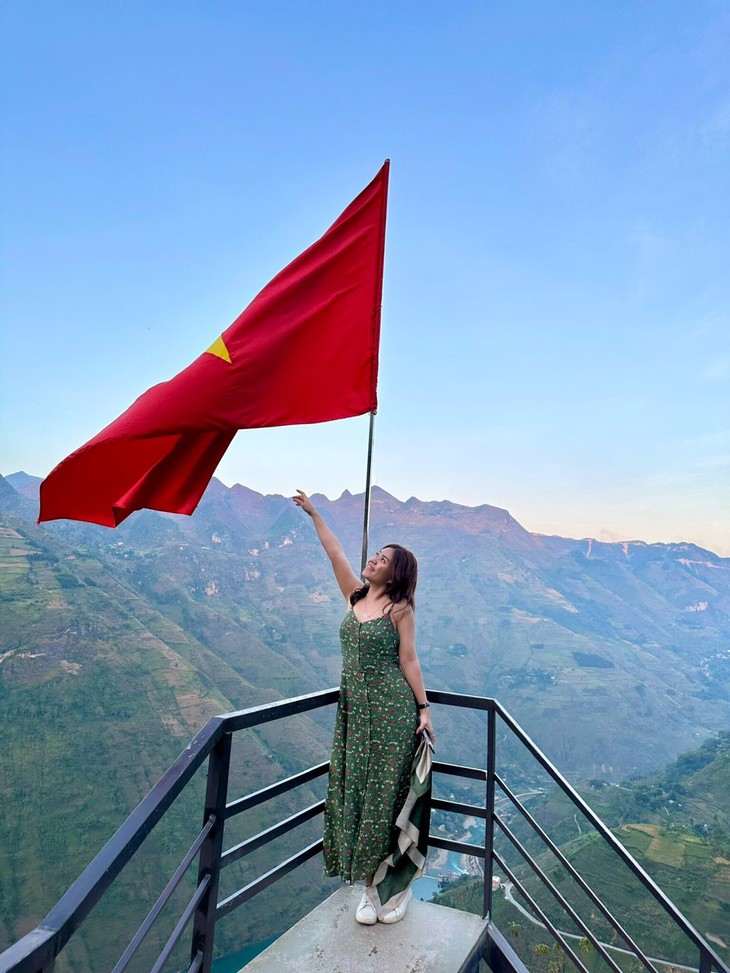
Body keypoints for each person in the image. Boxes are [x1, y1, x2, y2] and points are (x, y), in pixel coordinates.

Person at [292, 489, 434, 925]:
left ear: (396, 574)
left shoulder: (399, 609)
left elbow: (408, 659)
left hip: (392, 713)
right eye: (375, 555)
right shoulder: (355, 597)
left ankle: (389, 890)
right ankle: (371, 886)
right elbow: (334, 552)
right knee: (357, 793)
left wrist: (424, 708)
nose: (373, 560)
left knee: (386, 800)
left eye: (383, 559)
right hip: (355, 716)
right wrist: (315, 514)